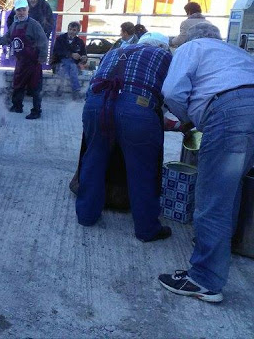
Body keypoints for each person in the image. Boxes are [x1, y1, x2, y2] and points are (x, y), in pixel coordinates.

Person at [158, 22, 254, 304]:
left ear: (187, 38)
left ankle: (204, 279)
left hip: (229, 111)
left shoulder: (192, 47)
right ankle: (223, 249)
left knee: (212, 198)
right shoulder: (235, 52)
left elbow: (173, 92)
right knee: (231, 187)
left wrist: (189, 122)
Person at [76, 32, 173, 242]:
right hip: (136, 110)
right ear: (162, 46)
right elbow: (171, 92)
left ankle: (86, 215)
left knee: (93, 160)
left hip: (95, 104)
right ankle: (147, 229)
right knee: (142, 169)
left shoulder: (116, 51)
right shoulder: (164, 56)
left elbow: (94, 82)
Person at [0, 0, 48, 119]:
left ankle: (36, 111)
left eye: (23, 10)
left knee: (35, 87)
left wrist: (42, 57)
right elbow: (8, 38)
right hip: (21, 61)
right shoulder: (14, 24)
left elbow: (43, 41)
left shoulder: (34, 24)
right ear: (15, 11)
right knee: (18, 84)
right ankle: (17, 106)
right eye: (18, 10)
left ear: (27, 10)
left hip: (33, 61)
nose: (21, 12)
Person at [53, 21, 87, 99]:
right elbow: (57, 52)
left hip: (73, 66)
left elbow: (83, 56)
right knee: (69, 65)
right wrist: (70, 54)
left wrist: (84, 58)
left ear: (78, 31)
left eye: (74, 30)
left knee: (71, 66)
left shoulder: (80, 42)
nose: (71, 31)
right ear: (68, 29)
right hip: (59, 63)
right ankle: (76, 91)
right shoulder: (60, 39)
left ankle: (60, 88)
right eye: (70, 29)